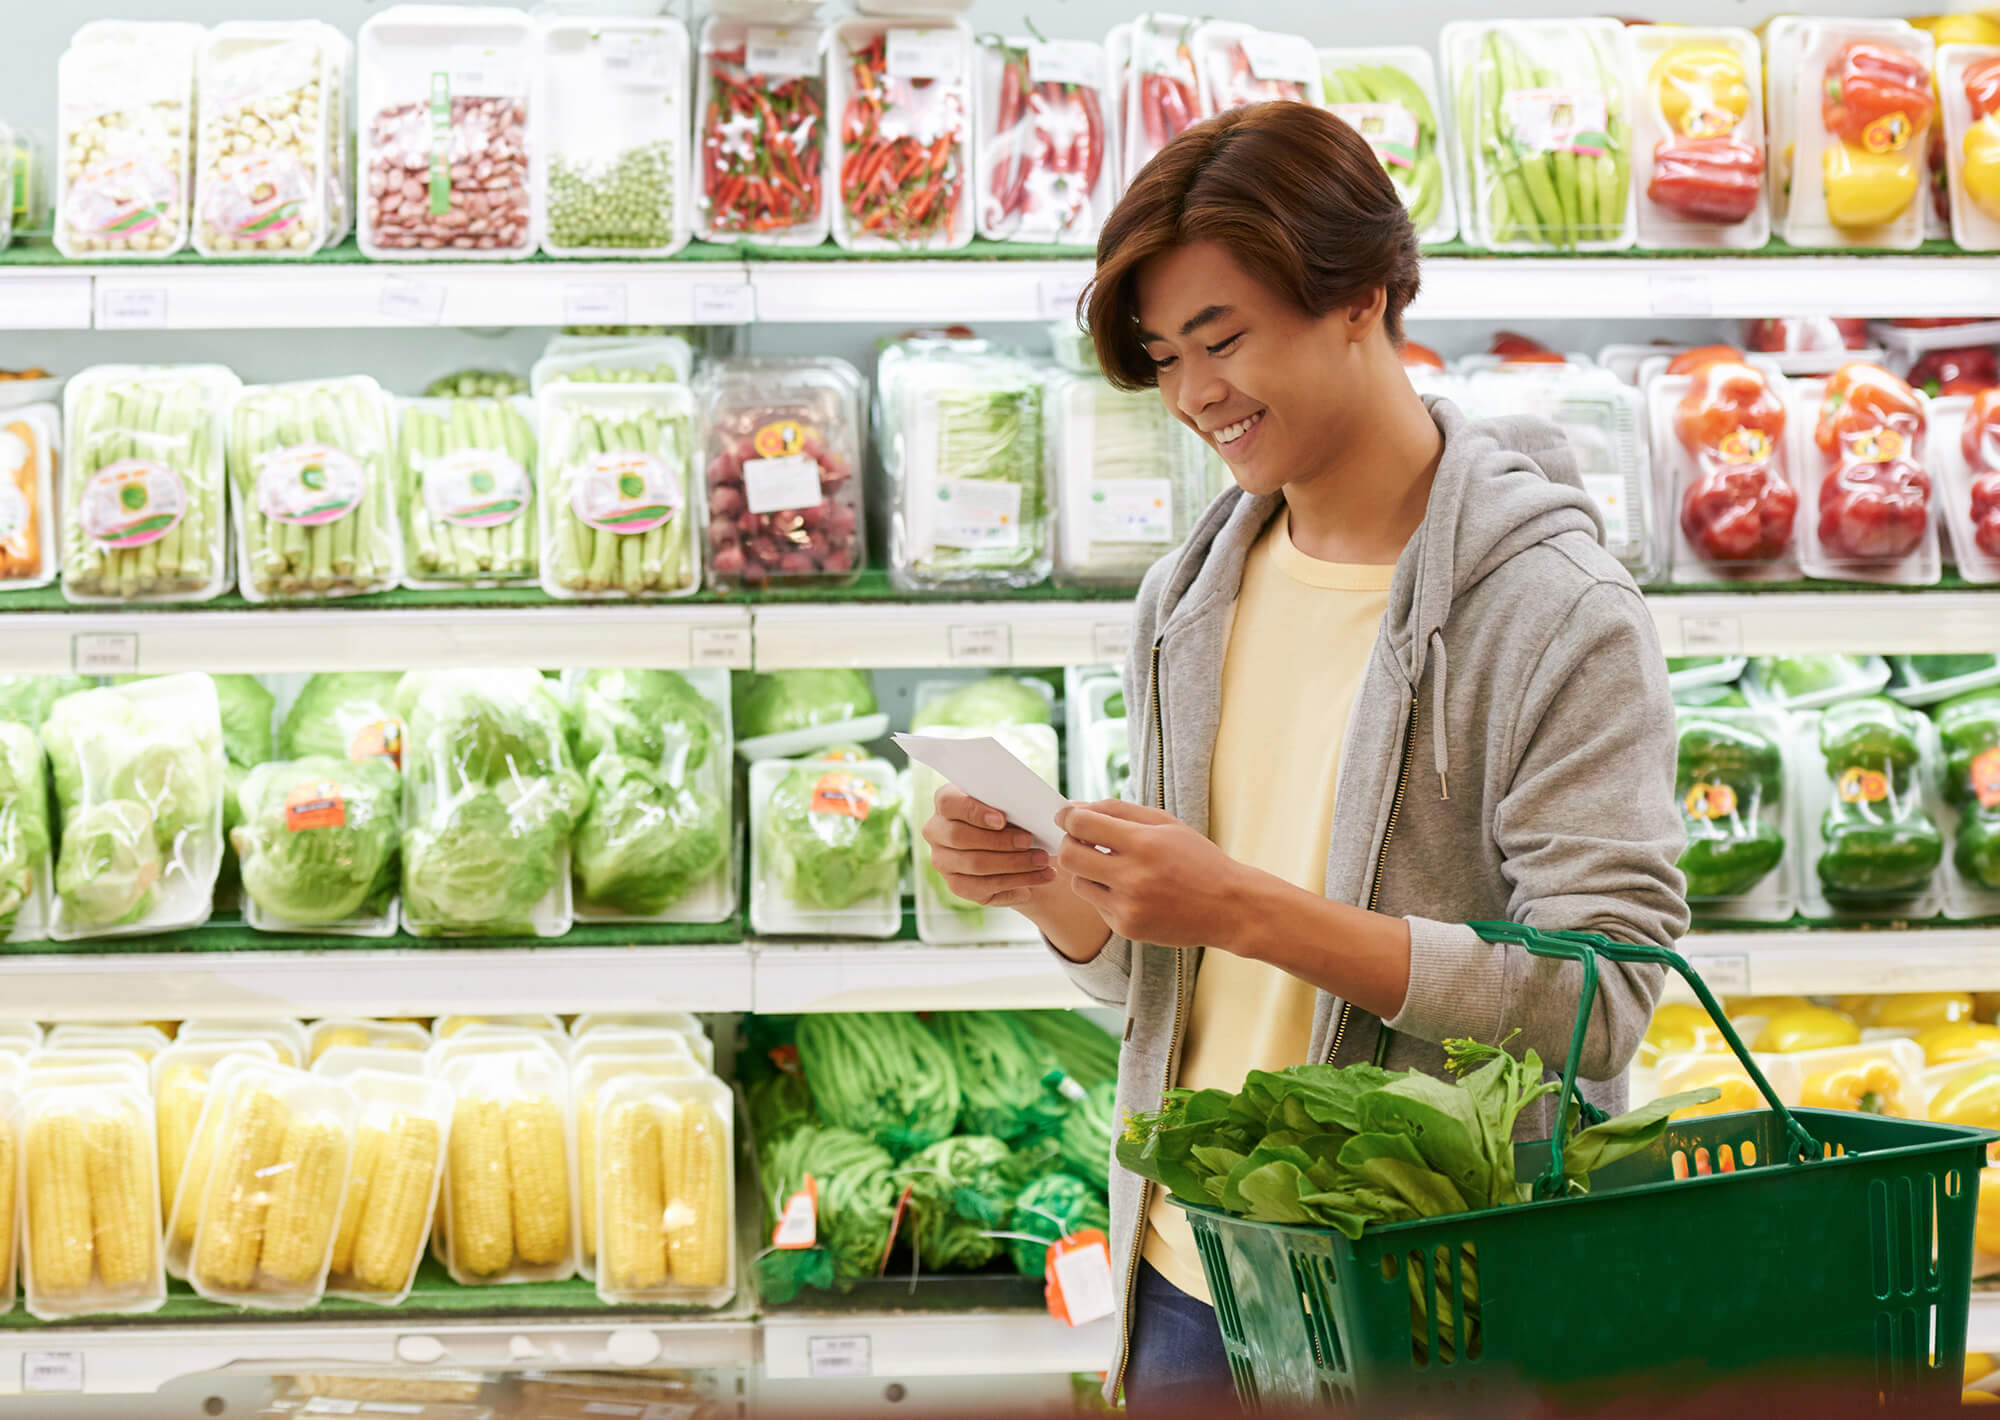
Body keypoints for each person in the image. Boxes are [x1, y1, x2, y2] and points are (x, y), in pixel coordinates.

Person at [919, 102, 1687, 1410]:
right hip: (1184, 1278)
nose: (1195, 393)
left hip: (1430, 1298)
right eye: (1164, 357)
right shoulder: (1189, 597)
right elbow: (1167, 982)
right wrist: (1053, 891)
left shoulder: (1555, 610)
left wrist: (1255, 911)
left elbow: (1606, 992)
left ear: (1365, 297)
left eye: (1223, 339)